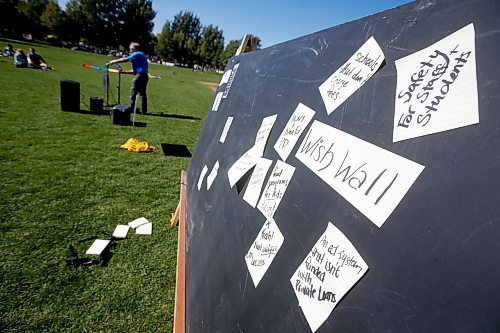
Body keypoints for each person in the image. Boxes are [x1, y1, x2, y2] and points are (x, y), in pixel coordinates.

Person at [107, 42, 149, 114]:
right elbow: (135, 71)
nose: (129, 51)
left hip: (140, 76)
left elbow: (124, 59)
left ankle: (132, 108)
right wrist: (124, 71)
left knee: (133, 91)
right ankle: (143, 110)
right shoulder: (141, 55)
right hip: (144, 76)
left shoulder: (137, 54)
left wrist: (114, 61)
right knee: (142, 93)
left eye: (130, 49)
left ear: (134, 49)